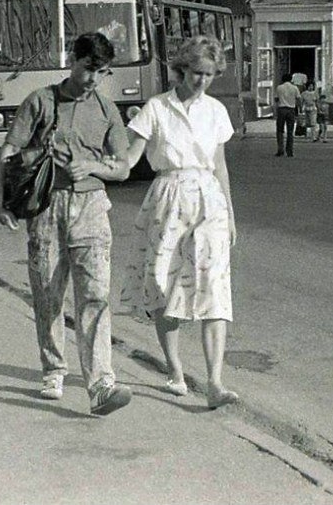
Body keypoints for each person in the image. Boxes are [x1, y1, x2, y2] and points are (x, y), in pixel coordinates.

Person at [0, 32, 134, 416]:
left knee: (95, 296)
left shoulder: (107, 109)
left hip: (90, 207)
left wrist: (94, 166)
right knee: (48, 294)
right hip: (47, 206)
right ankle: (53, 368)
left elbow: (123, 167)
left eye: (101, 72)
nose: (93, 79)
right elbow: (10, 151)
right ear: (73, 60)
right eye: (89, 69)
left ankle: (101, 384)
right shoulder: (40, 101)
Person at [119, 35, 240, 409]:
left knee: (213, 288)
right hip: (168, 197)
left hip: (209, 201)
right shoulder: (156, 108)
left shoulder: (216, 111)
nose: (202, 81)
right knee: (164, 284)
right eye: (196, 73)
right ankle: (175, 371)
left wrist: (231, 214)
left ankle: (215, 383)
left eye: (209, 75)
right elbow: (130, 156)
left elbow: (219, 165)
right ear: (181, 69)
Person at [273, 73, 301, 157]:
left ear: (282, 79)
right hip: (291, 110)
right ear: (291, 79)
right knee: (290, 131)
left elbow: (276, 99)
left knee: (280, 130)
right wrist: (299, 109)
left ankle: (280, 149)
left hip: (281, 109)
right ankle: (290, 151)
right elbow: (298, 99)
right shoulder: (295, 88)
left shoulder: (279, 87)